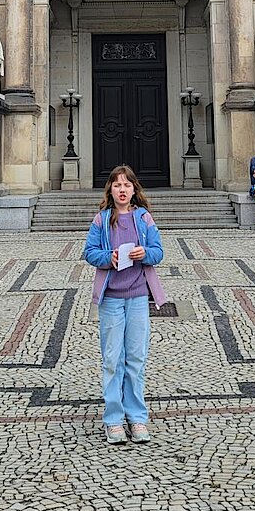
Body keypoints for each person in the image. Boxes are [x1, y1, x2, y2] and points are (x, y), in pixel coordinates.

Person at [83, 166, 166, 445]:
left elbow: (158, 251)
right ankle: (114, 419)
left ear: (134, 190)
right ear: (110, 189)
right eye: (117, 185)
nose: (122, 189)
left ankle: (137, 417)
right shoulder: (101, 219)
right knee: (112, 360)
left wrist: (145, 253)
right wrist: (109, 258)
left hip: (138, 296)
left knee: (136, 358)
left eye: (127, 185)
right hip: (111, 298)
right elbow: (89, 252)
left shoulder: (144, 218)